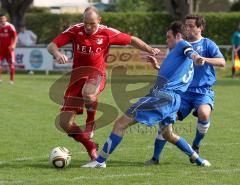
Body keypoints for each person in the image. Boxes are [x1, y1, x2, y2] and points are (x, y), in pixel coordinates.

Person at [82, 21, 211, 168]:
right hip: (174, 100)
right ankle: (200, 161)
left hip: (161, 96)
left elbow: (190, 51)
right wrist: (158, 67)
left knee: (120, 124)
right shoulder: (178, 56)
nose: (166, 40)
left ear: (178, 36)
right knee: (169, 135)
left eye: (169, 37)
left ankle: (99, 162)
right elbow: (176, 73)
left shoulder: (182, 45)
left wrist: (198, 58)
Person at [47, 6, 160, 161]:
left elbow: (132, 40)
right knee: (65, 123)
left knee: (88, 93)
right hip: (76, 79)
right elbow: (51, 45)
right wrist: (57, 53)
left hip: (96, 75)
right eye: (86, 23)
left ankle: (90, 123)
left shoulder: (107, 32)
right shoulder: (75, 30)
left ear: (99, 21)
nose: (88, 27)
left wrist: (150, 49)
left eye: (92, 23)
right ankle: (90, 146)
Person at [146, 14, 226, 165]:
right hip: (182, 92)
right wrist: (158, 66)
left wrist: (204, 59)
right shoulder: (180, 45)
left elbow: (222, 62)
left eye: (191, 26)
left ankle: (196, 144)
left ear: (200, 28)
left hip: (202, 91)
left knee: (203, 113)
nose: (187, 28)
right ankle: (155, 157)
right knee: (166, 121)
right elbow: (173, 68)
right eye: (186, 25)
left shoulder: (208, 44)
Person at [0, 13, 18, 84]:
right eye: (0, 19)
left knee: (11, 64)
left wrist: (13, 45)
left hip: (9, 49)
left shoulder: (10, 26)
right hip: (0, 49)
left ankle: (11, 80)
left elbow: (16, 36)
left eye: (3, 18)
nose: (2, 20)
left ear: (6, 19)